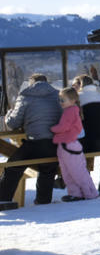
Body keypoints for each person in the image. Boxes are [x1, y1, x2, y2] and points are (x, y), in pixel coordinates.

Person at [0, 74, 62, 206]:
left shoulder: (25, 96)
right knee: (48, 168)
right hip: (54, 144)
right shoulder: (58, 95)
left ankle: (3, 199)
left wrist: (9, 114)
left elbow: (13, 123)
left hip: (34, 143)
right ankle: (43, 201)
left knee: (12, 167)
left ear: (31, 83)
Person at [50, 87, 100, 202]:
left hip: (69, 145)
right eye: (60, 100)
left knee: (77, 172)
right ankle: (75, 193)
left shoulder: (71, 111)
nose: (61, 102)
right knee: (67, 172)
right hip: (65, 145)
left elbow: (64, 127)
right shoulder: (69, 111)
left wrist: (52, 128)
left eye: (63, 100)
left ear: (72, 100)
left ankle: (90, 193)